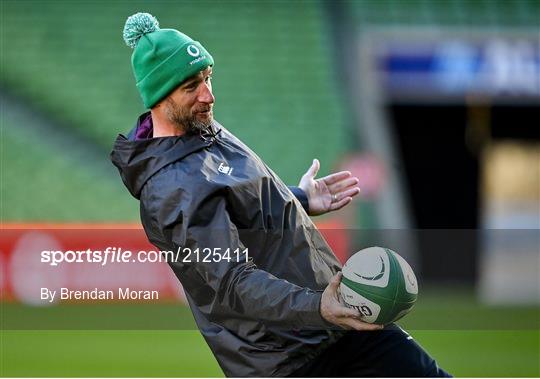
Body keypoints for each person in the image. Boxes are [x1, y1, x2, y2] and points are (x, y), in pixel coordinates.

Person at [111, 12, 451, 378]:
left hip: (335, 325)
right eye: (192, 85)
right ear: (161, 95)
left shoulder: (203, 129)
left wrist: (298, 199)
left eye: (208, 78)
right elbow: (231, 283)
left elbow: (240, 205)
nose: (209, 95)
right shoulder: (172, 188)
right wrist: (320, 306)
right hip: (286, 358)